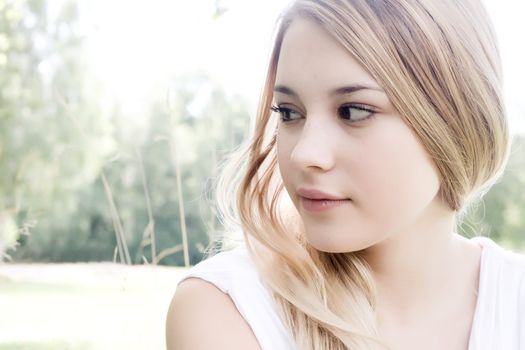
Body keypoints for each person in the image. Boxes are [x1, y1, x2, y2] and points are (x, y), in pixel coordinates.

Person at [165, 0, 525, 349]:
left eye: (352, 111)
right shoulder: (229, 308)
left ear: (455, 121)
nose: (305, 153)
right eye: (289, 113)